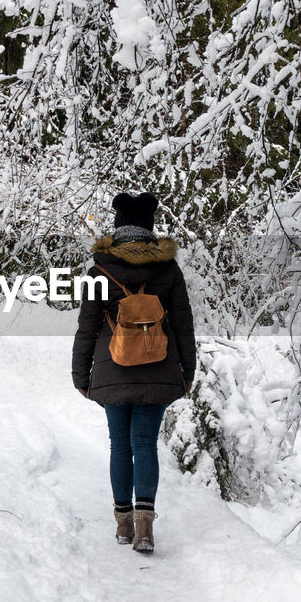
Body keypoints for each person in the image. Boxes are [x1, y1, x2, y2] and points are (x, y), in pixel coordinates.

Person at [72, 191, 196, 554]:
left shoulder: (100, 271)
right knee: (144, 443)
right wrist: (187, 370)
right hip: (158, 368)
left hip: (113, 370)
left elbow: (88, 327)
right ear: (149, 229)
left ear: (117, 227)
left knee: (119, 444)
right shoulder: (169, 270)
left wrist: (82, 375)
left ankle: (123, 523)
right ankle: (145, 527)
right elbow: (184, 325)